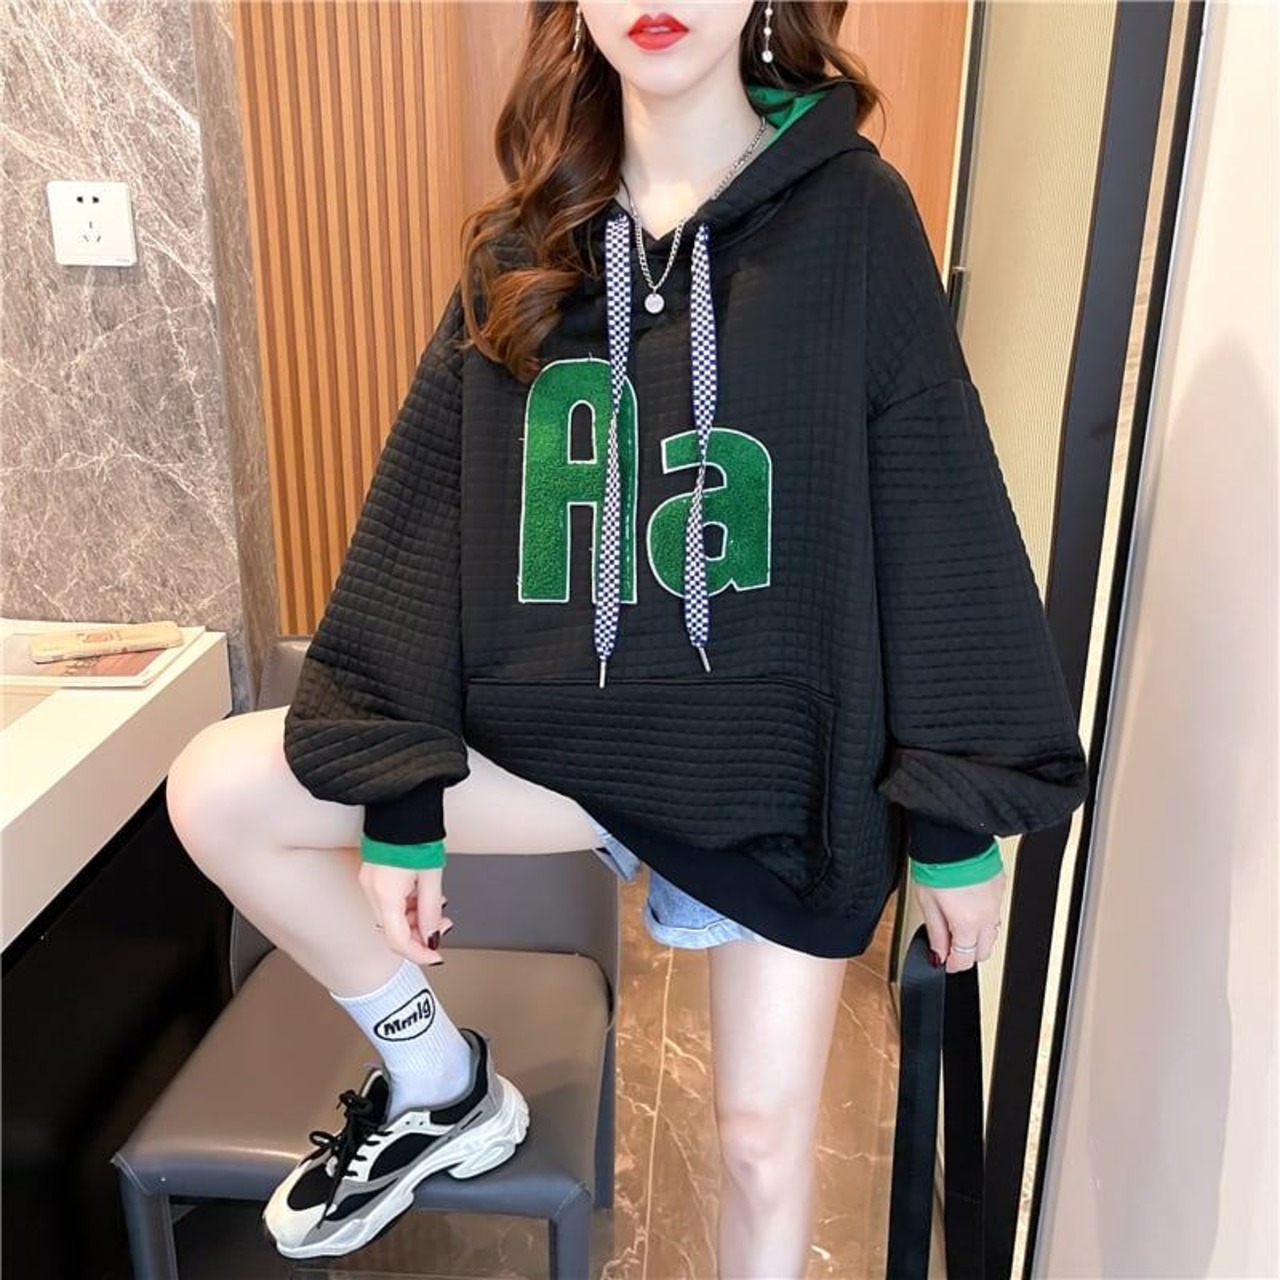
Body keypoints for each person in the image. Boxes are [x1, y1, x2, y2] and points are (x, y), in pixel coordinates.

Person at [166, 2, 1089, 1273]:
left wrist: (950, 821)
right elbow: (426, 516)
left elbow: (931, 502)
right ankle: (438, 1083)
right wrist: (399, 797)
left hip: (769, 773)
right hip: (563, 755)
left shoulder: (853, 219)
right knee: (214, 789)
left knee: (761, 1144)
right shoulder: (520, 247)